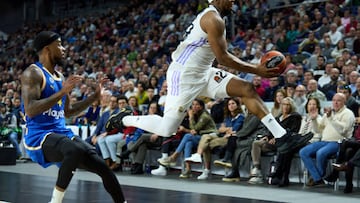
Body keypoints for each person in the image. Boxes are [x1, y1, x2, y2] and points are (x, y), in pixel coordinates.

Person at [123, 0, 309, 155]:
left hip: (203, 72)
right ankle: (125, 119)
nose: (234, 1)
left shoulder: (214, 16)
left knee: (246, 89)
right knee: (167, 129)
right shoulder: (213, 19)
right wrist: (256, 69)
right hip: (184, 76)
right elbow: (223, 58)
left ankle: (282, 137)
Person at [21, 31, 126, 203]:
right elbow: (31, 109)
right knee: (73, 149)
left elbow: (68, 112)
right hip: (38, 135)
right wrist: (62, 91)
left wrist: (94, 97)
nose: (64, 49)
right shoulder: (32, 73)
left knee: (102, 166)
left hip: (61, 132)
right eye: (60, 44)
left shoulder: (60, 77)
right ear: (47, 49)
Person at [299, 93, 355, 187]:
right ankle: (318, 178)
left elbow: (343, 131)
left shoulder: (348, 113)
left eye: (338, 100)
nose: (335, 102)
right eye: (334, 100)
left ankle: (317, 177)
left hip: (339, 142)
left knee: (321, 153)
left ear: (344, 102)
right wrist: (314, 119)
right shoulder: (329, 113)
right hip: (324, 141)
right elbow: (318, 130)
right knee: (303, 151)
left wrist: (331, 118)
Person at [185, 97, 245, 179]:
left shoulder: (240, 117)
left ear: (238, 105)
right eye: (229, 104)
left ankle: (206, 169)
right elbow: (220, 129)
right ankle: (199, 157)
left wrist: (226, 129)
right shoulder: (228, 117)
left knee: (204, 143)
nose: (230, 106)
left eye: (233, 104)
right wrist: (226, 129)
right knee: (205, 137)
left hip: (232, 139)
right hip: (223, 136)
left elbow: (234, 129)